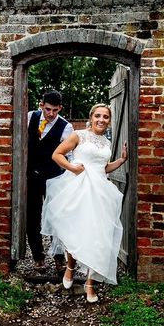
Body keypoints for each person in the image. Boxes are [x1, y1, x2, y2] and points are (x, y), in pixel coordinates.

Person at [41, 103, 128, 303]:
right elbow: (57, 154)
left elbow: (103, 168)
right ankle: (70, 267)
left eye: (105, 117)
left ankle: (90, 284)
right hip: (79, 188)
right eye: (98, 115)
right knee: (77, 232)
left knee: (98, 235)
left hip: (101, 192)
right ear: (91, 117)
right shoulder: (79, 135)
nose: (101, 119)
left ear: (109, 120)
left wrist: (121, 161)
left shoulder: (106, 142)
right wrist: (72, 167)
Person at [27, 89, 74, 273]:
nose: (51, 114)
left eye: (55, 110)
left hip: (55, 177)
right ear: (41, 105)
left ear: (60, 108)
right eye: (48, 109)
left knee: (56, 217)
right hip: (31, 175)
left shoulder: (66, 127)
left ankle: (58, 258)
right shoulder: (30, 117)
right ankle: (38, 257)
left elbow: (69, 155)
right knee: (32, 215)